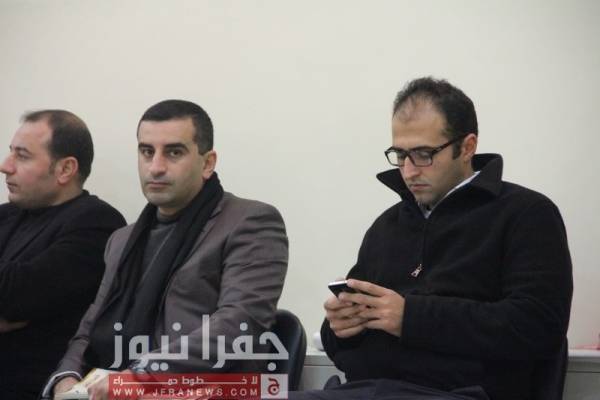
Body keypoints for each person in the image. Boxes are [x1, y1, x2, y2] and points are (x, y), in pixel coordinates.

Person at [294, 78, 573, 400]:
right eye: (400, 155)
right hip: (366, 389)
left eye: (423, 154)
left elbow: (538, 326)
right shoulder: (387, 226)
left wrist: (411, 317)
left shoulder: (526, 213)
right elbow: (347, 340)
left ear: (467, 147)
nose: (409, 171)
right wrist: (340, 329)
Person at [45, 100, 288, 399]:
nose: (156, 167)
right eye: (147, 152)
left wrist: (137, 377)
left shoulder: (250, 222)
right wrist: (67, 378)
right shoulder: (122, 240)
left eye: (174, 152)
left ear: (208, 163)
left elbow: (239, 324)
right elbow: (89, 329)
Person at [0, 110, 126, 400]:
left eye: (22, 156)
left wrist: (12, 293)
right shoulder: (6, 215)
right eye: (11, 152)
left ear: (66, 169)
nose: (5, 166)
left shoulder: (97, 223)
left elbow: (18, 291)